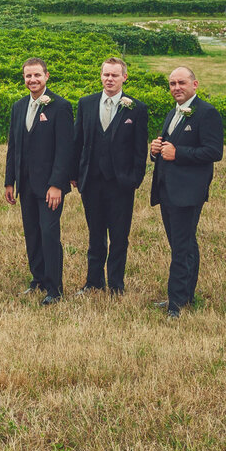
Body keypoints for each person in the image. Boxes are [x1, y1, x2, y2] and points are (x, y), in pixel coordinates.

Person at [150, 66, 223, 319]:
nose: (176, 87)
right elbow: (168, 146)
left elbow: (214, 152)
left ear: (195, 84)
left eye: (181, 82)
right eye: (172, 83)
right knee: (184, 244)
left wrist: (178, 153)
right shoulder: (173, 113)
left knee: (181, 247)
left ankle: (176, 303)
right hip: (168, 189)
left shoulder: (207, 113)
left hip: (188, 192)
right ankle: (185, 297)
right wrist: (155, 149)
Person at [70, 57, 148, 295]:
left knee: (119, 237)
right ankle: (94, 281)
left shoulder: (136, 108)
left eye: (115, 75)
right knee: (95, 234)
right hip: (91, 182)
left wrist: (134, 179)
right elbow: (77, 142)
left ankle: (116, 284)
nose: (109, 79)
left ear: (124, 77)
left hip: (121, 184)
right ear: (101, 76)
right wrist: (74, 174)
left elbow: (139, 149)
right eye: (106, 74)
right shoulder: (86, 103)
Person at [4, 58, 73, 305]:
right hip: (25, 184)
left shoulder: (60, 106)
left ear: (46, 76)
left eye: (37, 75)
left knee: (49, 233)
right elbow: (13, 146)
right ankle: (38, 279)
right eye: (28, 76)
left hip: (49, 187)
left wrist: (57, 184)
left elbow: (65, 150)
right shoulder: (18, 106)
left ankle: (55, 288)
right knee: (32, 233)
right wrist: (9, 180)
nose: (32, 80)